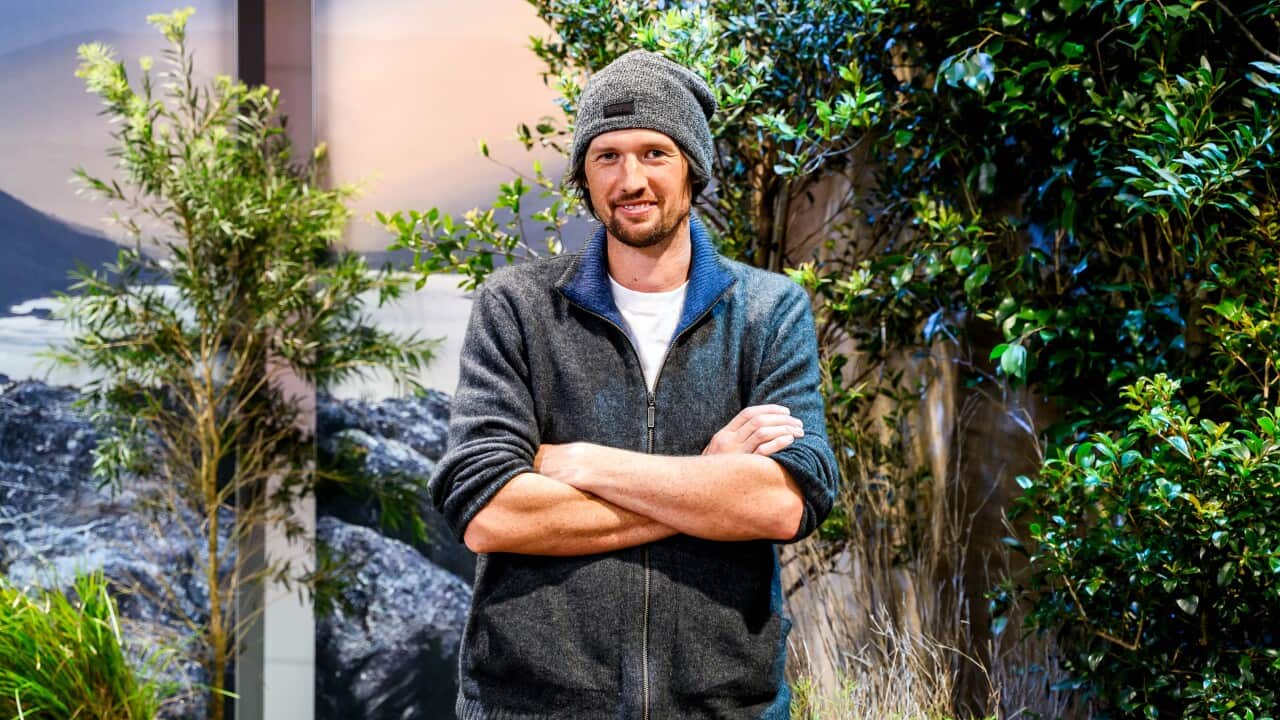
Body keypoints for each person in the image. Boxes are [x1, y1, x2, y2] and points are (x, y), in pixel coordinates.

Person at [431, 49, 838, 720]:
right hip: (533, 707)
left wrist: (584, 464)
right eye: (607, 156)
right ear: (585, 178)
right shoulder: (519, 308)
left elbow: (784, 503)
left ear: (692, 168)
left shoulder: (768, 310)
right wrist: (706, 482)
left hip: (723, 708)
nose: (631, 179)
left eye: (655, 153)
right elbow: (489, 513)